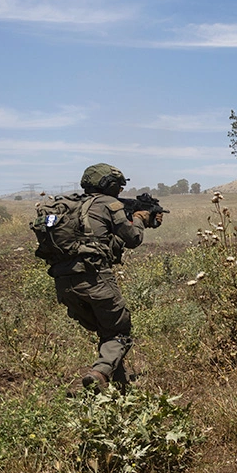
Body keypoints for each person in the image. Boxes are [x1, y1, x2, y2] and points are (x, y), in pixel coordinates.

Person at [50, 164, 158, 391]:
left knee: (107, 330)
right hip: (95, 278)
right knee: (120, 332)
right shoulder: (109, 204)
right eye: (118, 186)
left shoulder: (70, 205)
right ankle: (98, 374)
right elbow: (133, 238)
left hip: (63, 281)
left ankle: (117, 381)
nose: (119, 191)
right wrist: (139, 218)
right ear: (108, 185)